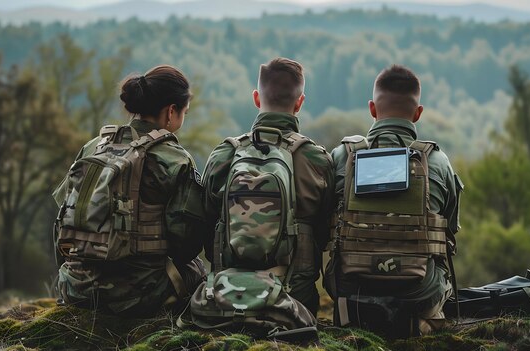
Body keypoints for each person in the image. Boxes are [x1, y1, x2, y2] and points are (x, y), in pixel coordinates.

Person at [53, 65, 206, 317]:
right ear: (171, 112)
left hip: (74, 288)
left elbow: (62, 221)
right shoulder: (175, 159)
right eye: (184, 112)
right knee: (195, 269)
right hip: (135, 296)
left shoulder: (94, 147)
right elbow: (185, 244)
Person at [325, 64, 463, 335]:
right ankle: (423, 321)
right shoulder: (436, 161)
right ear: (418, 113)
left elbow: (322, 224)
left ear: (372, 109)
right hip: (419, 293)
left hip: (351, 289)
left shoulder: (342, 156)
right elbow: (451, 228)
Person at [202, 57, 335, 316]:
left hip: (227, 294)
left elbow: (205, 222)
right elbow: (325, 232)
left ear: (256, 98)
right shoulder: (317, 159)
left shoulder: (224, 154)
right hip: (294, 298)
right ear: (300, 102)